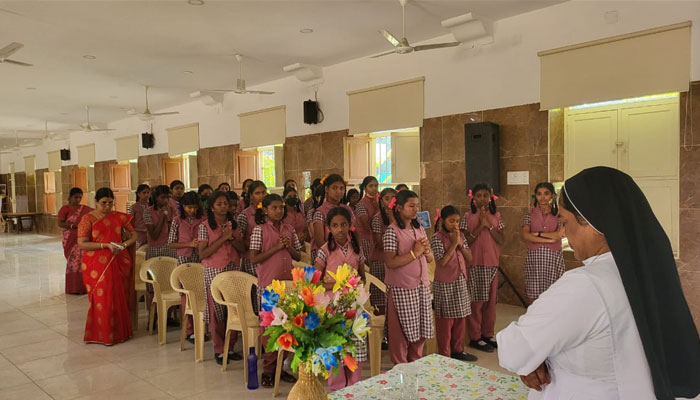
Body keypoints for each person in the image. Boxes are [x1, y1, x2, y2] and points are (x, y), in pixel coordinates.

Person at [498, 167, 700, 400]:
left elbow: (514, 350)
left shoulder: (586, 285)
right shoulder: (644, 274)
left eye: (564, 221)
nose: (564, 233)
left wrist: (535, 357)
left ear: (593, 225)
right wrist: (537, 355)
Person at [249, 194, 302, 388]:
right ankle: (269, 371)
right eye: (274, 208)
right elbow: (254, 258)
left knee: (288, 327)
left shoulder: (289, 229)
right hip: (268, 286)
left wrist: (288, 248)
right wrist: (277, 247)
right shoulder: (259, 230)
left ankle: (282, 366)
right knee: (270, 330)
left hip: (288, 285)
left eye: (281, 207)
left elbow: (298, 253)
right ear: (266, 210)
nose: (279, 211)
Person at [315, 206, 367, 391]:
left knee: (355, 344)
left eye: (343, 224)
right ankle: (337, 388)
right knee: (335, 346)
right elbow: (316, 282)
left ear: (350, 226)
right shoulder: (324, 251)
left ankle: (354, 387)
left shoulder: (356, 249)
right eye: (335, 225)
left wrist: (353, 285)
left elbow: (363, 277)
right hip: (332, 307)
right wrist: (338, 284)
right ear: (329, 228)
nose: (340, 229)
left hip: (353, 304)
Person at [77, 188, 137, 345]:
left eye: (110, 203)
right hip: (96, 264)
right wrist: (106, 245)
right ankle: (102, 334)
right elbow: (82, 243)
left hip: (117, 260)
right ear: (96, 202)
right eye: (103, 203)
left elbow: (134, 235)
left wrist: (123, 245)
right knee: (103, 298)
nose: (107, 206)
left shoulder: (118, 217)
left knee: (117, 297)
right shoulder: (87, 219)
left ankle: (120, 333)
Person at [383, 190, 434, 364]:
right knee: (400, 335)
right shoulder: (392, 232)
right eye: (411, 206)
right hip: (401, 289)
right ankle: (400, 369)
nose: (415, 210)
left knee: (420, 331)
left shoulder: (418, 228)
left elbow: (429, 257)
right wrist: (414, 253)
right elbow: (390, 262)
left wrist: (426, 252)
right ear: (399, 208)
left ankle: (415, 365)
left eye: (417, 206)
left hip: (420, 286)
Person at [198, 190, 246, 364]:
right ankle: (219, 349)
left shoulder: (233, 224)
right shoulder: (205, 226)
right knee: (217, 311)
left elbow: (242, 249)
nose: (223, 207)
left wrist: (231, 237)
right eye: (219, 204)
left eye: (225, 203)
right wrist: (222, 238)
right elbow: (202, 253)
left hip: (232, 268)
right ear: (211, 207)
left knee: (233, 309)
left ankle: (230, 347)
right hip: (214, 271)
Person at [460, 184, 504, 353]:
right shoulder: (466, 216)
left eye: (485, 195)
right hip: (475, 263)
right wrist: (480, 225)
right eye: (478, 195)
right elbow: (465, 242)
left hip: (492, 263)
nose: (482, 199)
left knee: (491, 302)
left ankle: (488, 334)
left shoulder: (497, 215)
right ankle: (475, 336)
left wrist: (489, 225)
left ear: (490, 197)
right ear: (473, 198)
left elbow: (501, 240)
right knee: (477, 302)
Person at [431, 205, 477, 362]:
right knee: (446, 320)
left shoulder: (461, 237)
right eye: (451, 221)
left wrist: (459, 243)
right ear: (443, 221)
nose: (455, 225)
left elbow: (469, 258)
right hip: (444, 283)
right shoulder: (437, 238)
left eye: (457, 221)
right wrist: (452, 244)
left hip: (460, 280)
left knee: (460, 317)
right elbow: (442, 262)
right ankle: (445, 353)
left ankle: (458, 349)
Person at [167, 191, 203, 343]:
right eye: (189, 208)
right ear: (183, 207)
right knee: (186, 295)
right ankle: (189, 329)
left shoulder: (203, 220)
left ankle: (201, 328)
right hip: (184, 260)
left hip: (199, 259)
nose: (192, 211)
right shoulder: (177, 221)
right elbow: (171, 242)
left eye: (194, 208)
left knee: (200, 294)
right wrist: (189, 244)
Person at [521, 182, 565, 304]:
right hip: (534, 259)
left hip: (553, 258)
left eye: (546, 194)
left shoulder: (559, 214)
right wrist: (549, 239)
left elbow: (558, 235)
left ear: (552, 196)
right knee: (533, 292)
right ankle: (532, 319)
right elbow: (525, 235)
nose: (542, 197)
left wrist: (537, 234)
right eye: (539, 194)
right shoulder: (530, 214)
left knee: (553, 292)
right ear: (535, 196)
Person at [369, 188, 396, 339]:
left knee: (392, 301)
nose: (390, 201)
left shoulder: (400, 218)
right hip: (380, 262)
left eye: (393, 198)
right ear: (381, 201)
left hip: (395, 264)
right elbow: (380, 243)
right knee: (380, 300)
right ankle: (381, 335)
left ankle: (392, 332)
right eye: (387, 198)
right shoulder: (377, 219)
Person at [311, 174, 355, 264]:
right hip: (326, 256)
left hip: (347, 254)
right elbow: (320, 241)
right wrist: (336, 254)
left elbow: (354, 231)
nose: (339, 191)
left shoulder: (347, 209)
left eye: (341, 188)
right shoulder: (320, 212)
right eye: (334, 188)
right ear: (327, 189)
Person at [57, 187, 93, 294]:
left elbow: (94, 214)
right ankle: (73, 288)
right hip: (70, 238)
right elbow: (60, 223)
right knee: (73, 262)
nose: (78, 200)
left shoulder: (84, 209)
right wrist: (73, 226)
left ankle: (82, 287)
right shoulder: (65, 209)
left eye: (80, 197)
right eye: (75, 197)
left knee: (81, 262)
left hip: (82, 238)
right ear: (70, 197)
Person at [237, 180, 267, 276]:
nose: (262, 196)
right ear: (251, 196)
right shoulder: (245, 215)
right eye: (257, 193)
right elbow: (240, 240)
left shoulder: (270, 212)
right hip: (252, 260)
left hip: (269, 257)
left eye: (263, 192)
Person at [144, 185, 177, 260]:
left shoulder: (173, 210)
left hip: (171, 248)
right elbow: (154, 235)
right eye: (162, 197)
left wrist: (169, 219)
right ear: (156, 198)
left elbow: (176, 232)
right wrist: (162, 216)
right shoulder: (148, 211)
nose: (166, 200)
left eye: (168, 197)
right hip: (155, 248)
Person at [355, 176, 379, 270]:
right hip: (366, 241)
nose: (374, 188)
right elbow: (367, 225)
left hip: (378, 239)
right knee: (369, 269)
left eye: (376, 186)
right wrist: (377, 210)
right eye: (371, 186)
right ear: (365, 188)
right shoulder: (361, 204)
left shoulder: (380, 201)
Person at [130, 184, 151, 249]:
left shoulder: (151, 206)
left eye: (148, 193)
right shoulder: (134, 207)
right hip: (138, 235)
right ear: (139, 194)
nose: (146, 195)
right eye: (144, 193)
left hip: (150, 235)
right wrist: (140, 229)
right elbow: (130, 223)